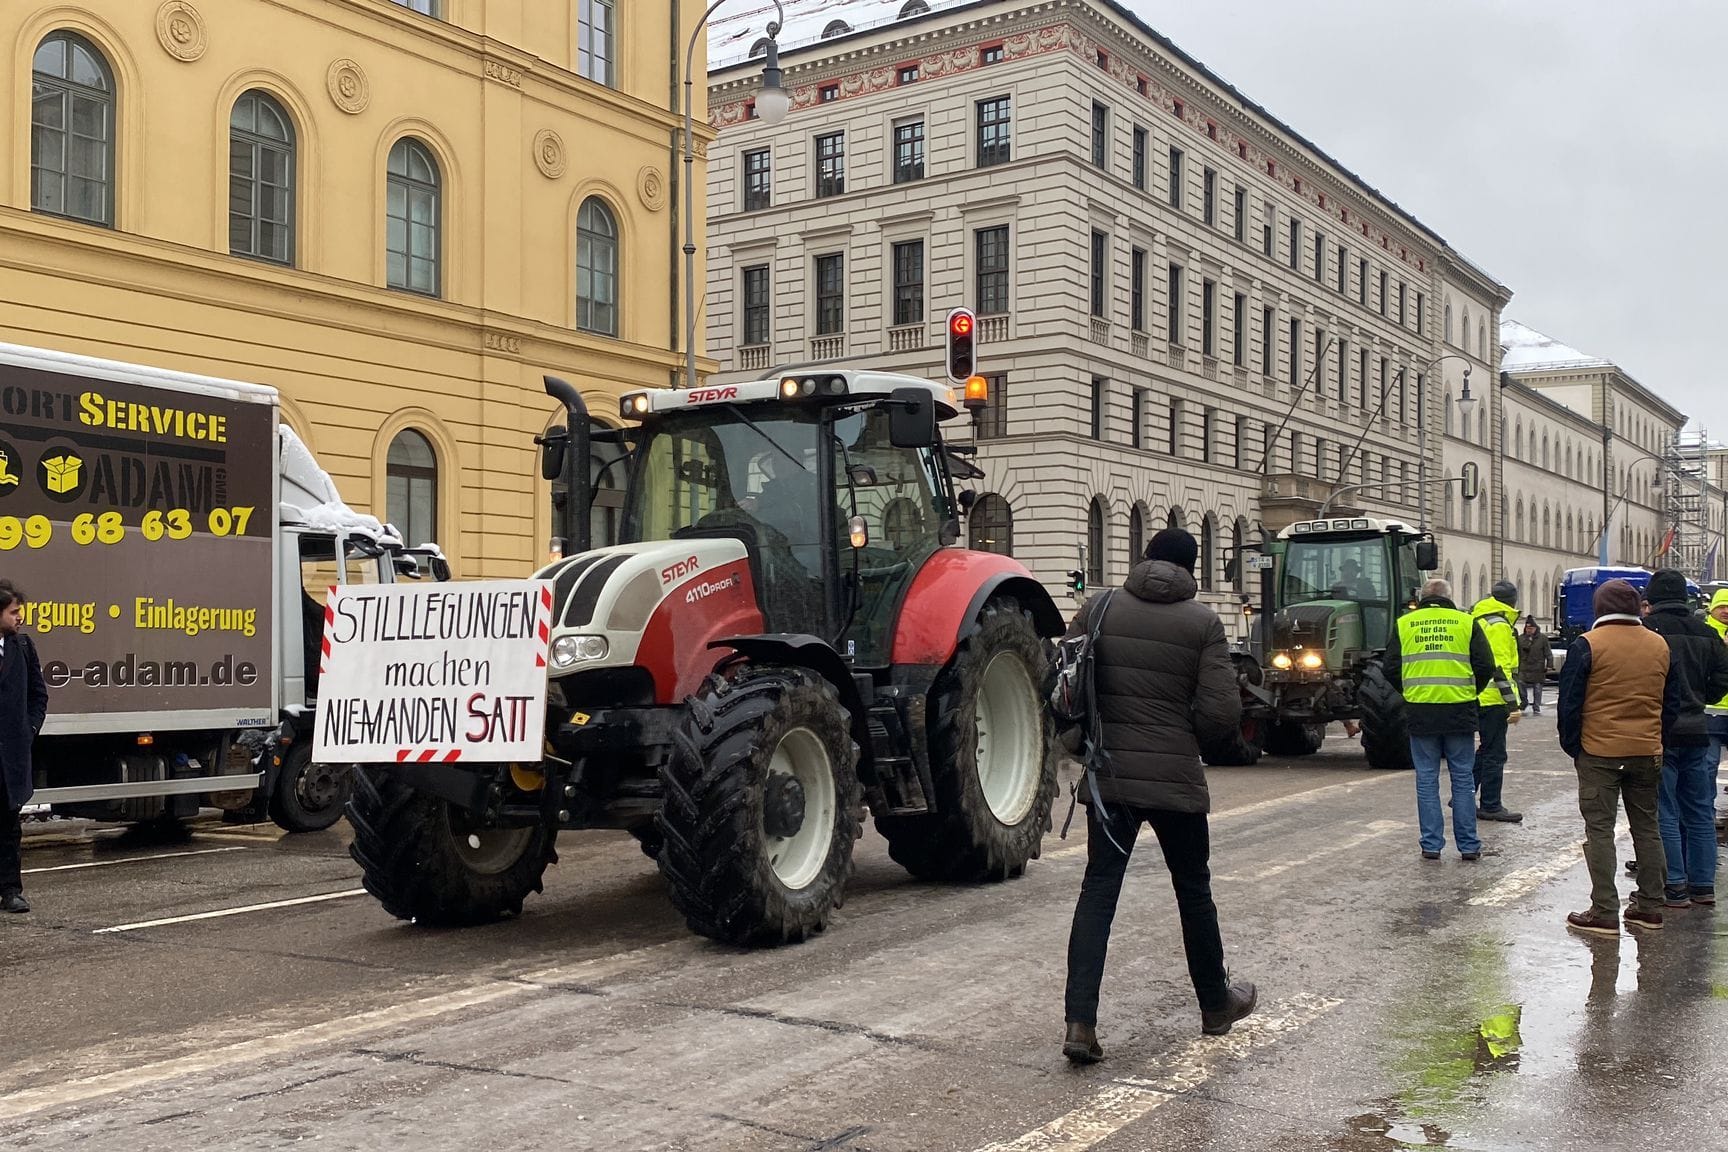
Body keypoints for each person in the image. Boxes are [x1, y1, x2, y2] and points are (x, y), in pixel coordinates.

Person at [1061, 528, 1255, 1064]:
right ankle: (1216, 1007)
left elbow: (1062, 678)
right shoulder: (1203, 622)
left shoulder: (1099, 609)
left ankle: (1080, 1023)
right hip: (1176, 781)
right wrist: (1185, 738)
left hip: (1109, 780)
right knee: (1193, 892)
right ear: (1192, 569)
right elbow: (1220, 713)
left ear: (1144, 559)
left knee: (1098, 893)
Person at [1557, 579, 1681, 936]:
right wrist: (1658, 740)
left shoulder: (1588, 645)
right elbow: (1669, 704)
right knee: (1647, 827)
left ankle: (1605, 910)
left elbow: (1570, 705)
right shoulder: (1659, 645)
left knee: (1600, 830)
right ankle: (1650, 907)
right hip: (1647, 751)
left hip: (1600, 752)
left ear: (1599, 608)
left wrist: (1575, 747)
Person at [1383, 578, 1498, 861]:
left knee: (1426, 779)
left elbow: (1390, 667)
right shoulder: (1466, 622)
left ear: (1422, 597)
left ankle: (1431, 845)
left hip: (1421, 711)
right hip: (1460, 710)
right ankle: (1469, 846)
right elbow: (1486, 665)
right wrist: (1470, 691)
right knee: (1462, 779)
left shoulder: (1405, 624)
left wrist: (1411, 690)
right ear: (1450, 596)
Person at [1640, 570, 1728, 908]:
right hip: (1697, 727)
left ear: (1653, 598)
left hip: (1659, 731)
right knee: (1699, 809)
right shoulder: (1706, 633)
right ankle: (1703, 884)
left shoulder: (1648, 631)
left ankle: (1674, 883)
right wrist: (1702, 694)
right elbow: (1723, 677)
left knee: (1665, 808)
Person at [0, 580, 49, 914]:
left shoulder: (23, 647)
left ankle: (11, 890)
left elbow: (38, 695)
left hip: (11, 754)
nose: (20, 617)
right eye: (14, 611)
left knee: (8, 827)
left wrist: (28, 729)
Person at [1471, 581, 1524, 823]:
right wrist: (1512, 704)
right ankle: (1491, 805)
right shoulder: (1500, 625)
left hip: (1477, 695)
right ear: (1512, 600)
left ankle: (1463, 794)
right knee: (1495, 753)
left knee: (1485, 749)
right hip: (1493, 699)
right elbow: (1499, 667)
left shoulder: (1479, 618)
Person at [1707, 589, 1728, 830]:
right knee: (1708, 766)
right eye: (1721, 606)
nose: (1726, 611)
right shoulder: (1706, 633)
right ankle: (1707, 811)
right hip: (1710, 712)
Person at [1516, 617, 1552, 715]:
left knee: (1537, 688)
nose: (1529, 630)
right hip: (1524, 667)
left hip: (1538, 668)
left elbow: (1548, 652)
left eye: (1531, 629)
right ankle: (1524, 701)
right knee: (1520, 684)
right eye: (1527, 629)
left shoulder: (1542, 638)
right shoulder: (1521, 638)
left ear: (1535, 628)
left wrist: (1549, 664)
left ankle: (1536, 706)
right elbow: (1516, 652)